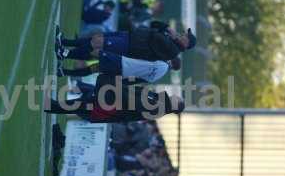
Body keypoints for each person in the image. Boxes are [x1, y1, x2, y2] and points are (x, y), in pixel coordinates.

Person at [44, 74, 185, 123]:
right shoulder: (158, 102)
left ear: (174, 105)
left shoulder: (157, 108)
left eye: (177, 99)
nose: (175, 95)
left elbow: (133, 102)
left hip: (111, 106)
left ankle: (50, 106)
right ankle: (51, 105)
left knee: (79, 105)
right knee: (80, 104)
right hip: (112, 100)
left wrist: (117, 89)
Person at [55, 22, 196, 62]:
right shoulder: (172, 42)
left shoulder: (173, 51)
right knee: (96, 38)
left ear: (186, 43)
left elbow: (155, 38)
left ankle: (66, 54)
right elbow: (155, 24)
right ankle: (66, 42)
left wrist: (168, 34)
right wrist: (166, 28)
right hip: (130, 36)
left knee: (96, 45)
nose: (183, 33)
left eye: (186, 35)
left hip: (130, 46)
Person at [57, 52, 181, 84]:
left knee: (96, 53)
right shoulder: (158, 76)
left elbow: (147, 57)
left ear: (171, 61)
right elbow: (137, 81)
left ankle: (65, 54)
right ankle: (65, 72)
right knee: (95, 68)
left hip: (125, 62)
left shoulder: (162, 64)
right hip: (123, 72)